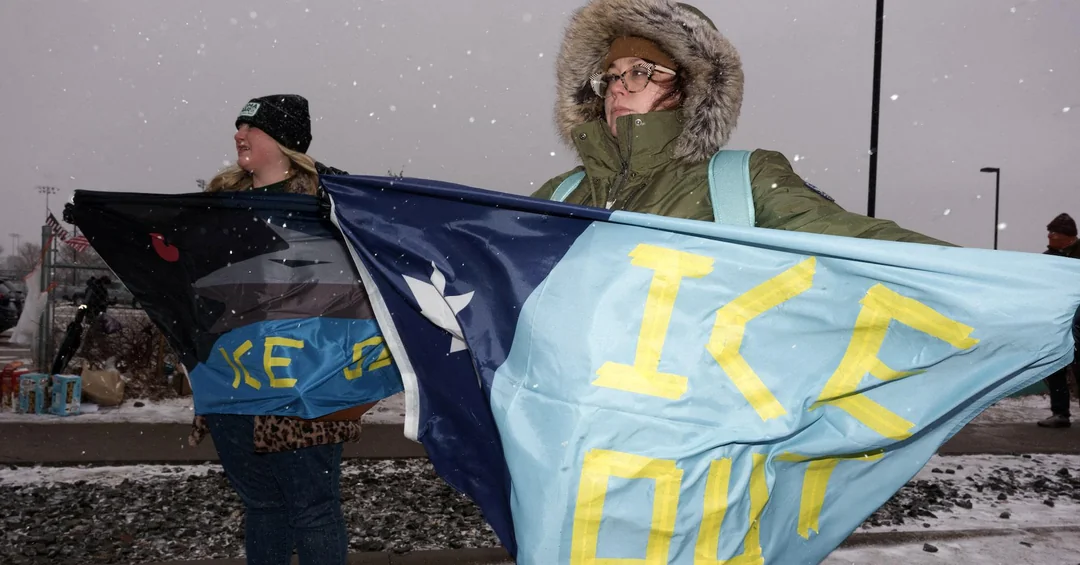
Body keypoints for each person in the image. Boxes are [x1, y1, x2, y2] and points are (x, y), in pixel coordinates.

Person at [532, 0, 948, 247]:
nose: (619, 88)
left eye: (640, 71)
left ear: (690, 86)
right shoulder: (562, 194)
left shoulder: (742, 182)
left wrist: (999, 287)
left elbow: (859, 245)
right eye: (610, 76)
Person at [189, 94, 360, 565]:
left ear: (284, 141)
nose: (239, 135)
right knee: (262, 505)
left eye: (252, 128)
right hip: (234, 380)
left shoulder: (332, 205)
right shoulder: (217, 207)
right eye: (238, 127)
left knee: (312, 509)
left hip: (307, 382)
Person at [1038, 213, 1080, 428]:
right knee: (1056, 367)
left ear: (1069, 236)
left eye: (1054, 232)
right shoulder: (1048, 258)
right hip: (1058, 323)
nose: (1049, 235)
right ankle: (1060, 413)